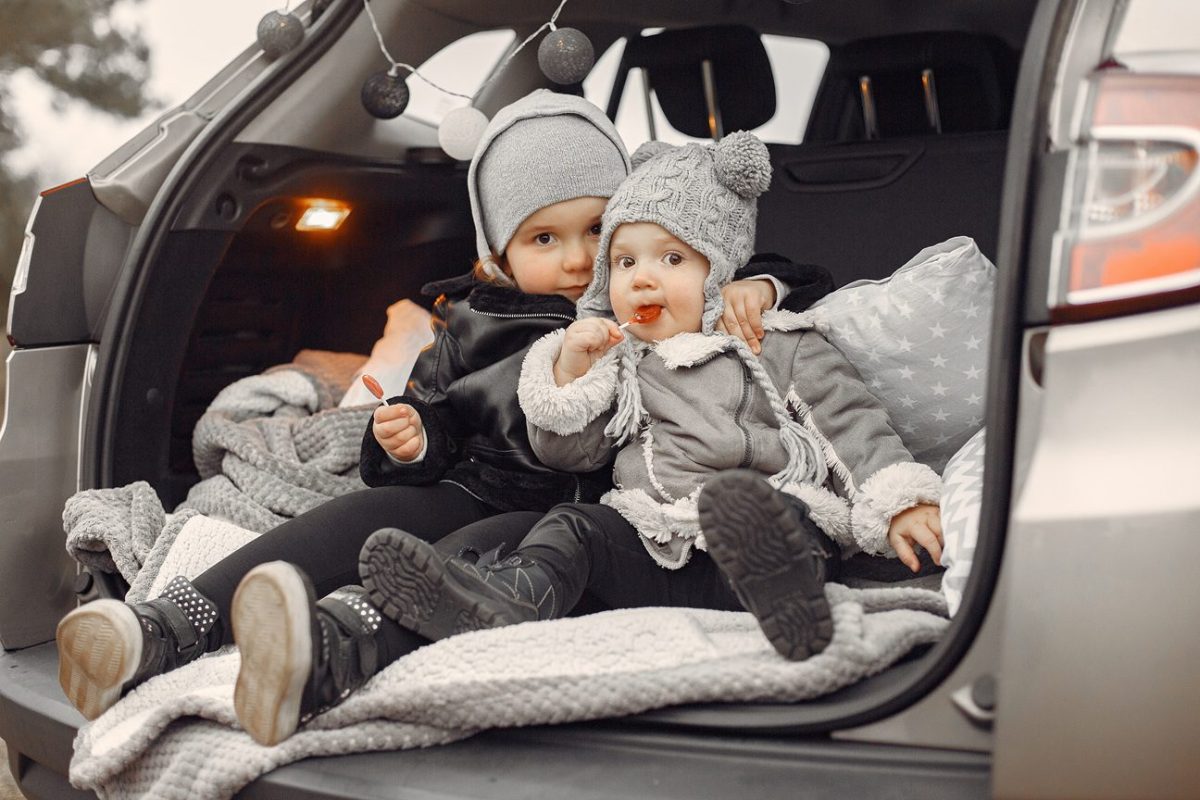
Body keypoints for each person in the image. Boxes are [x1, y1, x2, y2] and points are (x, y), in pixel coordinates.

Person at [54, 91, 808, 734]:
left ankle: (319, 656)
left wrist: (764, 286)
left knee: (457, 561)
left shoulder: (648, 294)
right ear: (497, 254)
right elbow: (434, 415)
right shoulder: (474, 320)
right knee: (361, 518)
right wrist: (413, 440)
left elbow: (756, 270)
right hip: (473, 482)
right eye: (545, 237)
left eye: (597, 229)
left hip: (578, 513)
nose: (580, 258)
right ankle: (165, 626)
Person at [356, 132, 945, 666]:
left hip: (765, 522)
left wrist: (901, 502)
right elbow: (571, 455)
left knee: (780, 516)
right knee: (574, 526)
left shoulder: (775, 341)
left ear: (721, 268)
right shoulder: (621, 360)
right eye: (624, 261)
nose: (641, 278)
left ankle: (785, 596)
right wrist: (573, 374)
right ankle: (511, 598)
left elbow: (849, 423)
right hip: (657, 543)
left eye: (672, 259)